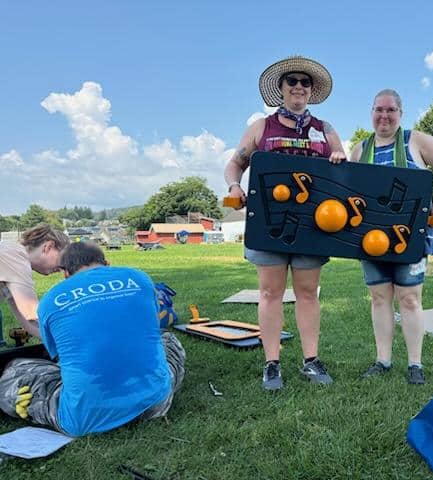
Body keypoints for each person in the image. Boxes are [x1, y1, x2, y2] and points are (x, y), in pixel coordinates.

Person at [224, 56, 347, 390]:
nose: (298, 87)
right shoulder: (261, 127)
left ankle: (310, 361)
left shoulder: (326, 129)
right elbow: (234, 165)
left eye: (304, 82)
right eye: (291, 81)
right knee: (270, 292)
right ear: (280, 88)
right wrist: (234, 185)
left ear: (311, 90)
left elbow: (342, 167)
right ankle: (272, 363)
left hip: (313, 224)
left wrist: (337, 158)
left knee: (308, 292)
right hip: (269, 222)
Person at [0, 242, 186, 437]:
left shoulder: (51, 300)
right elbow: (150, 325)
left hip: (85, 419)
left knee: (15, 370)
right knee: (168, 340)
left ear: (65, 273)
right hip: (156, 402)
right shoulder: (140, 278)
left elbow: (54, 350)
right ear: (107, 263)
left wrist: (11, 299)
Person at [350, 89, 433, 385]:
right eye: (378, 110)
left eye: (390, 110)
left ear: (401, 113)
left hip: (410, 235)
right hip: (371, 237)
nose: (384, 115)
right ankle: (382, 360)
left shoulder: (417, 140)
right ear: (371, 112)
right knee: (379, 297)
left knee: (410, 299)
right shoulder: (360, 150)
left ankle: (415, 364)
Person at [0, 223, 69, 339]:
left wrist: (61, 344)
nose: (62, 268)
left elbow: (29, 321)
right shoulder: (14, 255)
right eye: (63, 258)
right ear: (48, 247)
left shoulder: (13, 259)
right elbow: (32, 311)